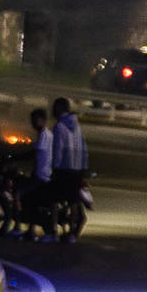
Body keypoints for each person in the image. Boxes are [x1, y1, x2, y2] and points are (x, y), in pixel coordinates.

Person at [51, 97, 89, 243]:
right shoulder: (77, 126)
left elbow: (58, 150)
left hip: (63, 169)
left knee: (54, 200)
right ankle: (72, 233)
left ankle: (54, 231)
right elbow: (84, 148)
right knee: (73, 202)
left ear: (60, 109)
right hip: (77, 169)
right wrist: (83, 168)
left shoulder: (60, 126)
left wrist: (54, 167)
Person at [18, 107, 55, 240]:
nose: (33, 122)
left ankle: (17, 227)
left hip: (42, 176)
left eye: (35, 120)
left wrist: (14, 157)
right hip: (41, 174)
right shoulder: (45, 134)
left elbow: (34, 154)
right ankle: (30, 230)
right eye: (32, 120)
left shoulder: (44, 135)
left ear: (43, 120)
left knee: (18, 194)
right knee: (32, 201)